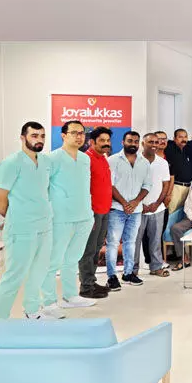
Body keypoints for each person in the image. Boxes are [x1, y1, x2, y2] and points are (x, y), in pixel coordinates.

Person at [0, 122, 55, 319]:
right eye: (34, 136)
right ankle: (0, 321)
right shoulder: (11, 163)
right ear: (22, 138)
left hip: (44, 225)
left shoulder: (46, 162)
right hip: (21, 228)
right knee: (14, 275)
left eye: (42, 136)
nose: (39, 140)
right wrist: (14, 216)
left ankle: (32, 311)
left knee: (39, 271)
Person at [39, 120, 96, 315]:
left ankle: (70, 296)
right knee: (52, 260)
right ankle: (48, 302)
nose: (79, 137)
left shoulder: (85, 159)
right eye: (74, 133)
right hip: (60, 216)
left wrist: (90, 213)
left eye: (82, 133)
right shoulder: (51, 159)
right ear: (63, 135)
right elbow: (42, 188)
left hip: (84, 215)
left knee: (73, 258)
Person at [106, 131, 152, 290]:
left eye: (136, 141)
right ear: (123, 142)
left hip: (136, 210)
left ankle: (128, 273)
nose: (133, 144)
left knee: (130, 242)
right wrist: (125, 203)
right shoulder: (112, 160)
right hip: (117, 209)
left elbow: (147, 185)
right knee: (113, 243)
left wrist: (135, 202)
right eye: (130, 141)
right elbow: (110, 185)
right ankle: (111, 276)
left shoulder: (144, 162)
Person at [77, 127, 113, 300]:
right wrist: (88, 213)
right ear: (92, 142)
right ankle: (86, 287)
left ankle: (91, 281)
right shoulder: (86, 159)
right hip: (92, 213)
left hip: (104, 211)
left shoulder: (103, 158)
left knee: (97, 249)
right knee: (88, 250)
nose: (106, 144)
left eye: (108, 140)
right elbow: (82, 188)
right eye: (102, 141)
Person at [133, 133, 171, 278]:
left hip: (157, 209)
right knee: (134, 241)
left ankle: (156, 267)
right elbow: (130, 185)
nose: (154, 145)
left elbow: (165, 185)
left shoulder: (162, 163)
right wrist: (139, 204)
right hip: (138, 209)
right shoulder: (134, 161)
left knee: (155, 240)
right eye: (150, 142)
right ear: (143, 144)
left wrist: (157, 203)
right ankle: (132, 270)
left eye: (156, 142)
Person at [164, 128, 192, 214]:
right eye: (180, 137)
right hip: (175, 187)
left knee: (180, 214)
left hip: (188, 187)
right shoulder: (169, 148)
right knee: (171, 212)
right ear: (174, 139)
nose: (183, 139)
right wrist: (168, 193)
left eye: (185, 137)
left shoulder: (186, 149)